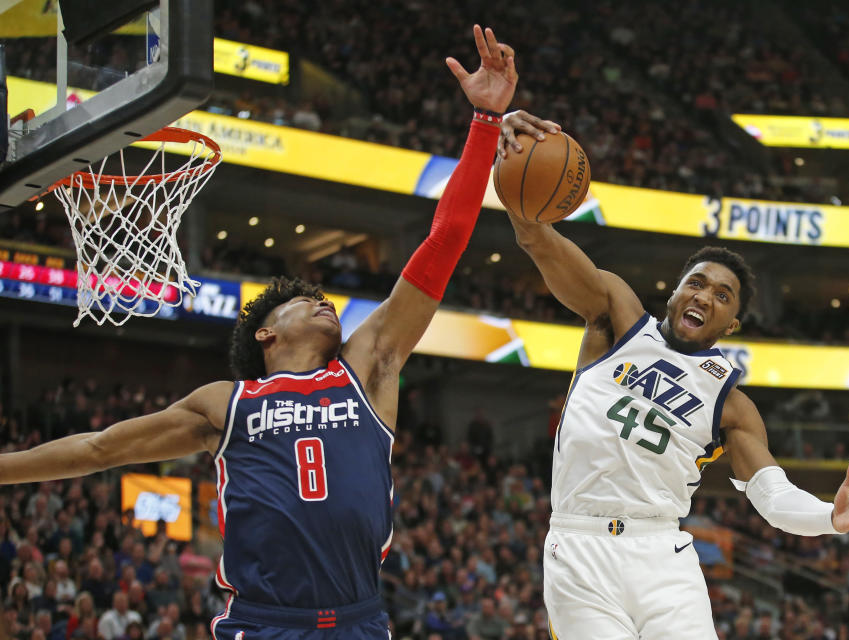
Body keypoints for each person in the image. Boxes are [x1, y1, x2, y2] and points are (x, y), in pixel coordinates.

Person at [0, 25, 517, 640]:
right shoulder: (229, 402)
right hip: (262, 623)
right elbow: (97, 450)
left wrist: (485, 119)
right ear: (267, 334)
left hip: (360, 621)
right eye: (307, 301)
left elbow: (444, 240)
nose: (324, 304)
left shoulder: (369, 368)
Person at [495, 111, 849, 639]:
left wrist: (829, 518)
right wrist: (510, 158)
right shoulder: (616, 318)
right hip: (579, 547)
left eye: (721, 296)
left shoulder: (732, 404)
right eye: (696, 283)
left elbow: (771, 496)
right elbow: (536, 238)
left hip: (662, 555)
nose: (704, 295)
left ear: (732, 322)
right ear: (675, 290)